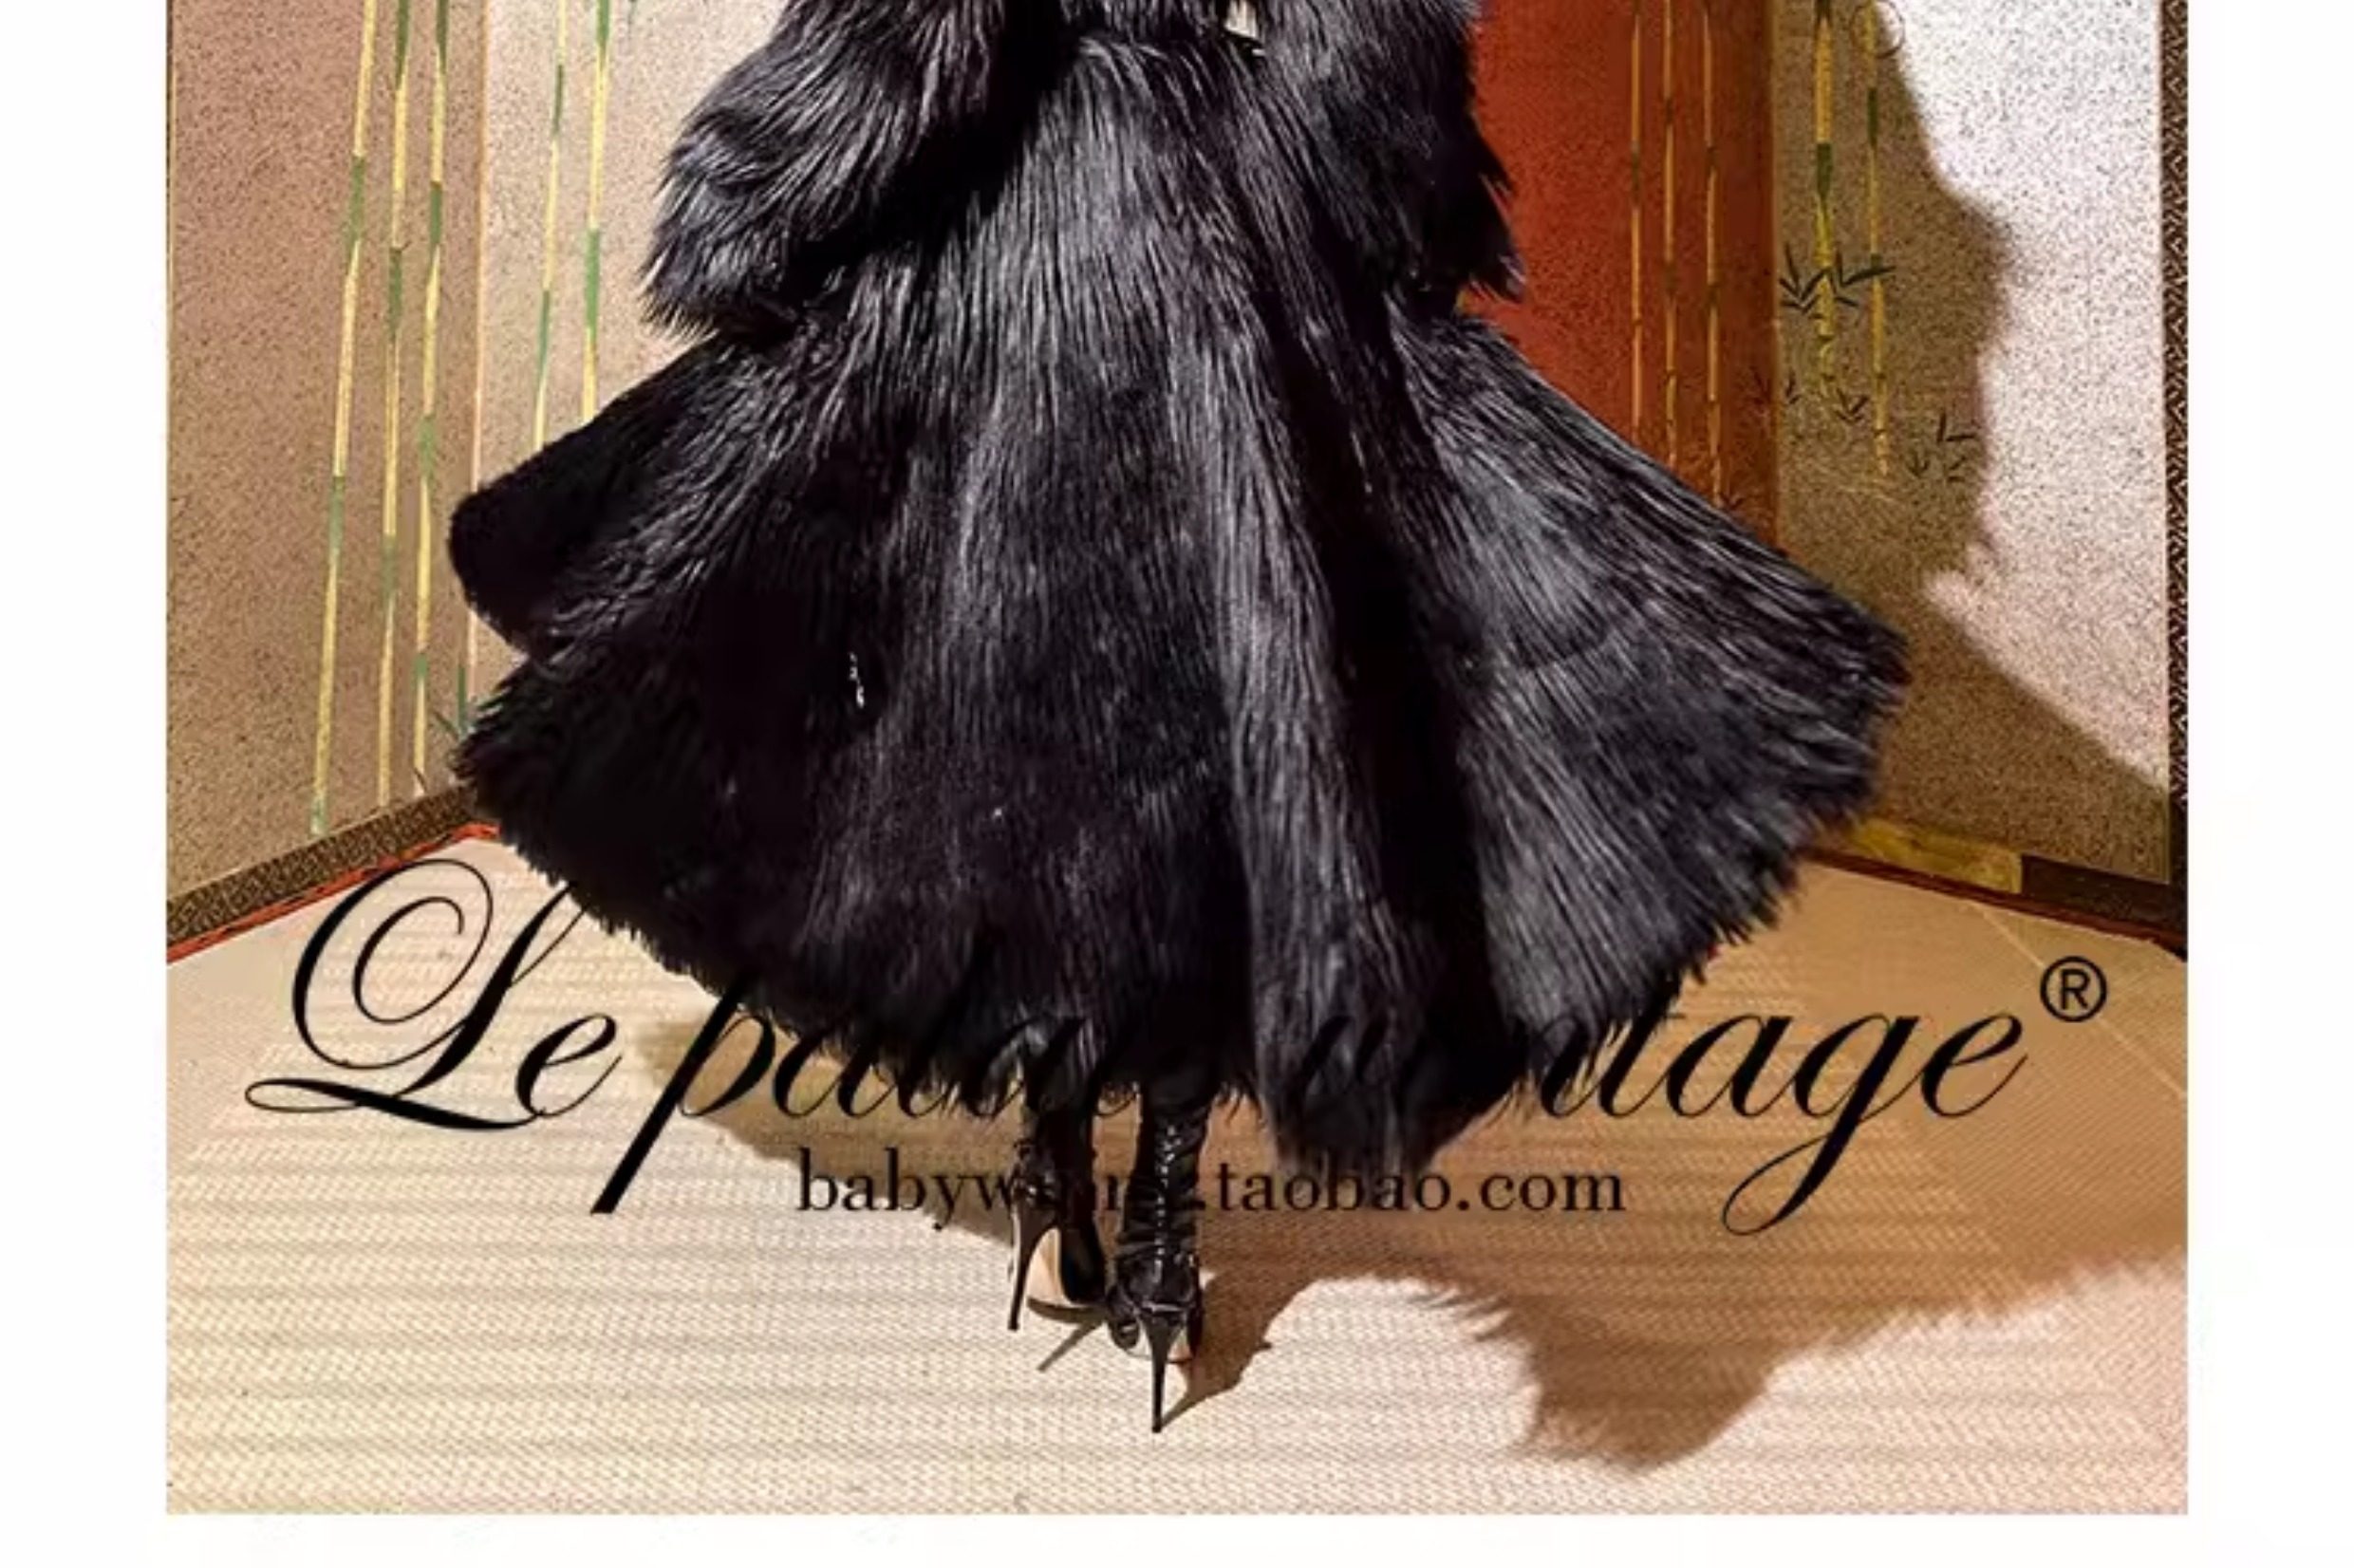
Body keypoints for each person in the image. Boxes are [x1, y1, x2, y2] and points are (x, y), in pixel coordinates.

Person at [448, 0, 1904, 1432]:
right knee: (1232, 700)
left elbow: (906, 29)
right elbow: (1362, 37)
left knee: (1006, 701)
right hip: (1231, 205)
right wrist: (1410, 213)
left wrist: (751, 208)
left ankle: (1055, 1162)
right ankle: (1163, 1212)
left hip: (1020, 215)